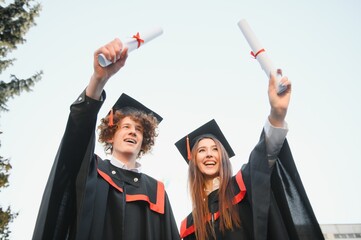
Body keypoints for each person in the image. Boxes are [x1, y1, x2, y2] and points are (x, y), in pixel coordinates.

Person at [32, 38, 180, 239]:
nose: (132, 132)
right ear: (111, 135)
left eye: (138, 129)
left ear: (143, 142)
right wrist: (98, 80)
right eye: (125, 127)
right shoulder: (92, 170)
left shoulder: (156, 191)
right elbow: (77, 135)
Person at [175, 72, 324, 240]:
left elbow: (264, 154)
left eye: (215, 149)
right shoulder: (189, 225)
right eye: (201, 150)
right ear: (193, 160)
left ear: (223, 157)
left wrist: (277, 113)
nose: (209, 154)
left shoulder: (242, 184)